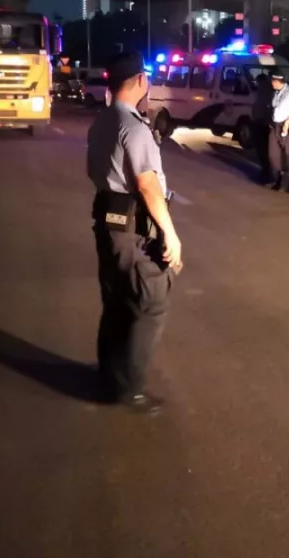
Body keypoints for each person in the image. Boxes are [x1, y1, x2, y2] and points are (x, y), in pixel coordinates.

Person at [87, 51, 182, 414]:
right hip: (132, 227)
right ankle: (131, 388)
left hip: (107, 220)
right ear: (141, 81)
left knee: (116, 300)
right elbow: (147, 185)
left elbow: (93, 171)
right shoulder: (134, 127)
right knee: (149, 302)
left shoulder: (103, 120)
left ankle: (109, 376)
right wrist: (170, 234)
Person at [268, 71, 289, 192]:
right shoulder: (276, 92)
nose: (271, 83)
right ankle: (277, 178)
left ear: (276, 81)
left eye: (272, 81)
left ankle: (286, 182)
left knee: (287, 154)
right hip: (275, 125)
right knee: (273, 153)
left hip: (285, 125)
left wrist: (288, 122)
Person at [251, 73, 274, 184]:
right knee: (263, 149)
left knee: (262, 149)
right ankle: (266, 171)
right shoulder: (267, 90)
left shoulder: (264, 90)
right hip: (262, 121)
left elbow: (262, 107)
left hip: (262, 122)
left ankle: (266, 172)